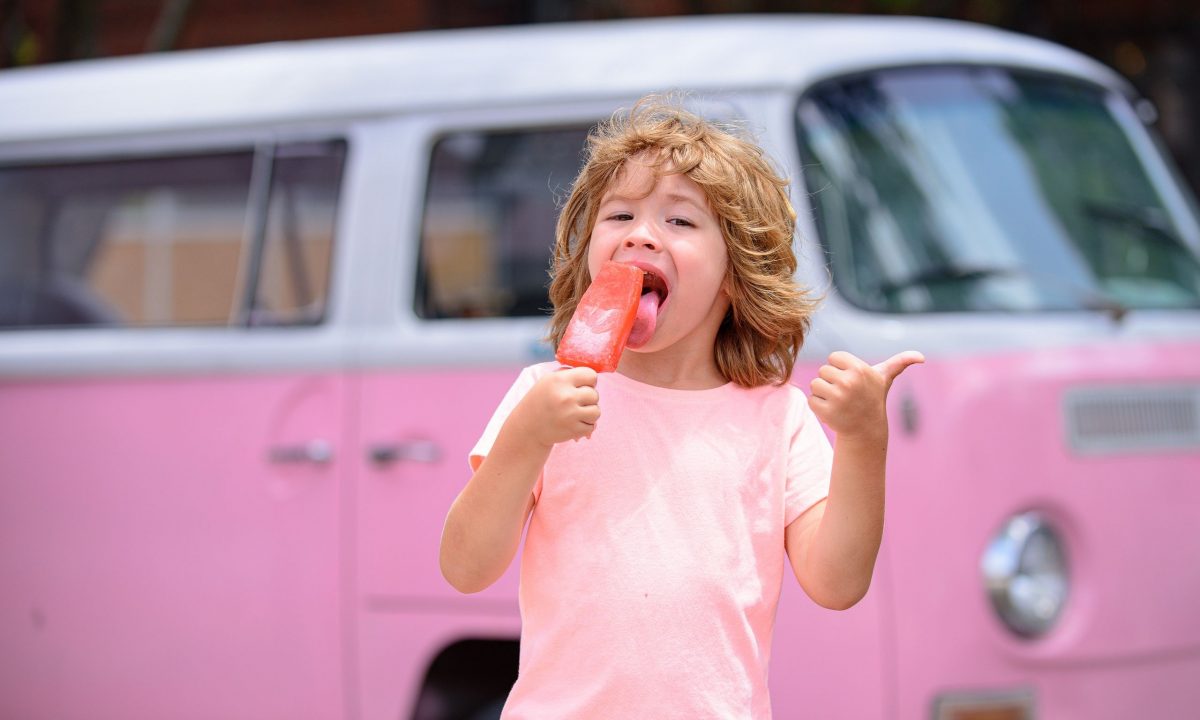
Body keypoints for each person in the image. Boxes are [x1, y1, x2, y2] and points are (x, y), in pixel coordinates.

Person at [439, 95, 924, 719]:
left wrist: (864, 440)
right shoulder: (546, 397)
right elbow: (464, 567)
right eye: (619, 215)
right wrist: (525, 439)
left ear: (735, 274)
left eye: (680, 222)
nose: (641, 233)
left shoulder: (776, 418)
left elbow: (838, 582)